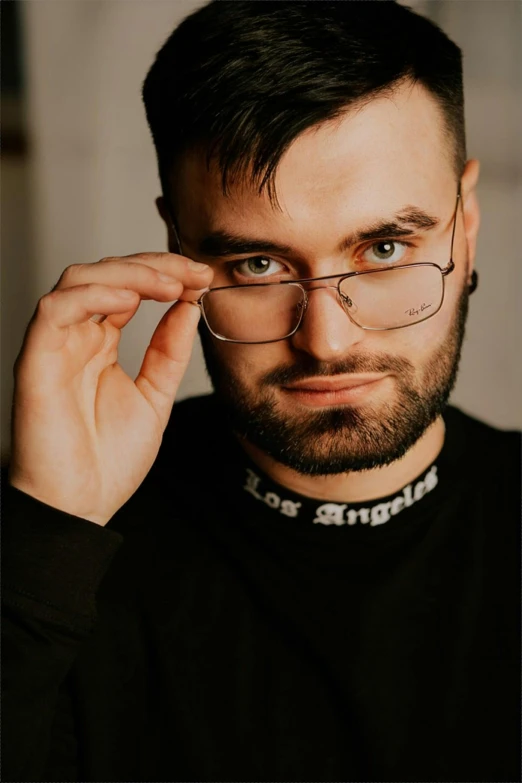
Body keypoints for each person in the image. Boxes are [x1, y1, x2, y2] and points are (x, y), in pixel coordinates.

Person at [3, 1, 520, 781]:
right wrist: (46, 533)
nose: (327, 340)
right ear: (177, 249)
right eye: (258, 265)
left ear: (466, 227)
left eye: (384, 248)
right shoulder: (60, 551)